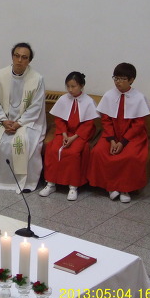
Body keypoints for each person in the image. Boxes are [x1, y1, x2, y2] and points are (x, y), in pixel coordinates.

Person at [0, 43, 46, 192]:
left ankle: (24, 182)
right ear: (12, 57)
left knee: (25, 141)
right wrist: (3, 120)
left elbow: (36, 106)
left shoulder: (37, 79)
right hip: (2, 120)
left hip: (26, 123)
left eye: (24, 57)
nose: (19, 60)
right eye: (17, 56)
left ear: (29, 60)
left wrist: (19, 123)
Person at [87, 63, 150, 203]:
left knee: (130, 156)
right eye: (116, 78)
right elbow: (106, 121)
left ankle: (125, 189)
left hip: (133, 137)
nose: (118, 82)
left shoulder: (139, 97)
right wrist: (112, 140)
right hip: (111, 135)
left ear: (131, 80)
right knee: (98, 152)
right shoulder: (109, 95)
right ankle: (111, 187)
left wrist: (123, 142)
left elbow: (138, 125)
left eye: (122, 78)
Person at [40, 72, 99, 201]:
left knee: (73, 153)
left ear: (81, 86)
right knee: (53, 149)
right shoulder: (63, 99)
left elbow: (88, 124)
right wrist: (64, 134)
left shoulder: (88, 102)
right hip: (64, 132)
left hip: (80, 134)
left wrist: (74, 137)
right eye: (68, 86)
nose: (70, 90)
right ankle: (51, 183)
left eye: (73, 86)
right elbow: (59, 120)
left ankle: (73, 186)